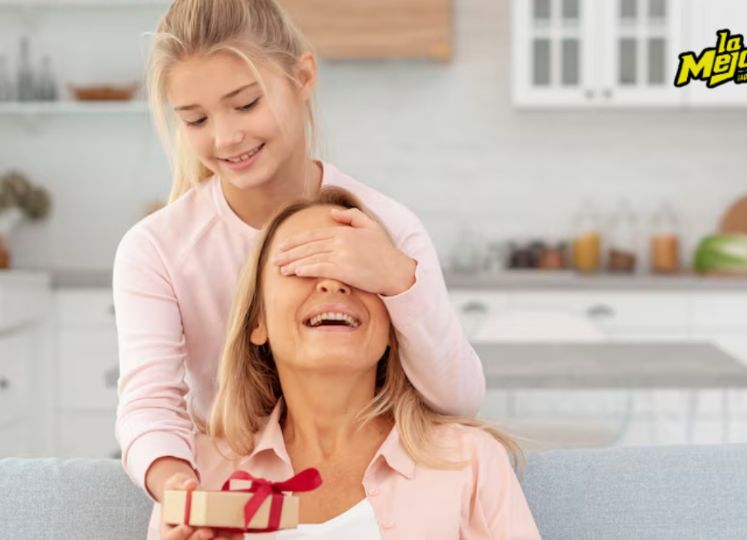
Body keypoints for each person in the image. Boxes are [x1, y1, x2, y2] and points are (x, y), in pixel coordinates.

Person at [113, 1, 486, 538]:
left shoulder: (384, 226)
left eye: (245, 104)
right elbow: (148, 403)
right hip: (229, 491)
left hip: (362, 488)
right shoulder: (157, 249)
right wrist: (178, 487)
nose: (225, 138)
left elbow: (459, 398)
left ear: (302, 76)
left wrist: (398, 278)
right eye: (195, 119)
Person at [149, 188, 540, 539]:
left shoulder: (468, 462)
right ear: (258, 322)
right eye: (300, 265)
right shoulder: (197, 476)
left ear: (392, 323)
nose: (332, 284)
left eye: (358, 267)